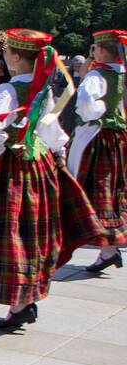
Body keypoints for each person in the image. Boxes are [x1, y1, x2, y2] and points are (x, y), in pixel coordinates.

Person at [0, 29, 100, 329]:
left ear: (15, 58)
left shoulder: (7, 91)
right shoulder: (45, 91)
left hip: (10, 170)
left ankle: (19, 303)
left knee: (11, 236)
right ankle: (25, 299)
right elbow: (52, 131)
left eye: (6, 53)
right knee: (32, 234)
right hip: (40, 167)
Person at [68, 29, 127, 272]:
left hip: (97, 139)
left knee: (90, 192)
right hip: (120, 139)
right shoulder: (122, 75)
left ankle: (85, 241)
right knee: (113, 193)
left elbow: (85, 104)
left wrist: (96, 111)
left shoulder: (96, 76)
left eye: (95, 48)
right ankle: (109, 250)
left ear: (101, 51)